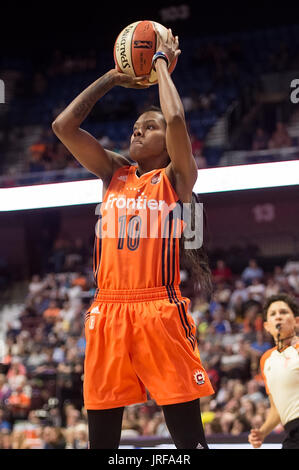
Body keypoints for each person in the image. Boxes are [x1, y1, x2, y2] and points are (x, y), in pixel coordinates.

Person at [52, 28, 214, 449]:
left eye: (148, 127)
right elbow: (63, 125)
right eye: (135, 127)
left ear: (168, 142)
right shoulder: (114, 174)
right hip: (107, 311)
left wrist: (160, 63)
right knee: (101, 443)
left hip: (158, 307)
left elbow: (176, 119)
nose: (136, 132)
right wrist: (113, 76)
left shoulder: (176, 178)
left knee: (188, 443)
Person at [248, 294, 299, 449]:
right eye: (273, 314)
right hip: (293, 433)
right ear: (266, 326)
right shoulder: (266, 359)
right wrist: (262, 432)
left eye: (283, 312)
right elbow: (277, 408)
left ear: (296, 321)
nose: (278, 317)